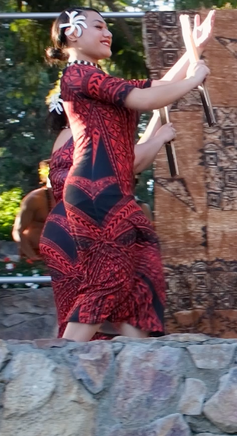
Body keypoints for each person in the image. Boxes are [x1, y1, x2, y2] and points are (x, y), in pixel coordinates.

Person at [47, 9, 207, 341]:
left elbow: (157, 86)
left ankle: (138, 370)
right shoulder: (77, 75)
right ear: (72, 33)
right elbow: (146, 98)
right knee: (109, 281)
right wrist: (194, 81)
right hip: (94, 192)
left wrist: (194, 53)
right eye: (98, 26)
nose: (108, 33)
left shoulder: (101, 83)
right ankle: (60, 363)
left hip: (114, 194)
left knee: (144, 274)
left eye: (108, 27)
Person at [32, 91, 176, 335]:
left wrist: (169, 97)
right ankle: (66, 359)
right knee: (105, 291)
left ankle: (135, 363)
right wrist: (160, 139)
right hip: (82, 227)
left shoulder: (70, 135)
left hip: (71, 228)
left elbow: (137, 150)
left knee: (135, 288)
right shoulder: (86, 132)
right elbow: (134, 161)